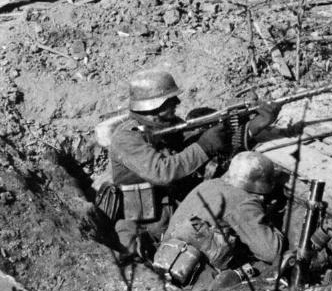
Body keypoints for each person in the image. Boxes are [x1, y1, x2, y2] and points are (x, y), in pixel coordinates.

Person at [108, 68, 280, 256]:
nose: (177, 102)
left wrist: (255, 125)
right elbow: (162, 172)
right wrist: (204, 146)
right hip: (147, 227)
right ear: (154, 105)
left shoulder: (167, 124)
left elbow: (206, 144)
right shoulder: (126, 138)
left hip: (183, 212)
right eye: (170, 100)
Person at [154, 151, 285, 286]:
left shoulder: (210, 184)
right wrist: (268, 218)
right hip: (194, 278)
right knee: (262, 267)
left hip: (166, 259)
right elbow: (271, 252)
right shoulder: (243, 201)